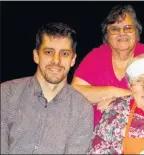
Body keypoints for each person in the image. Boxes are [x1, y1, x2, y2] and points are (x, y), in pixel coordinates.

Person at [1, 22, 93, 154]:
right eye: (49, 52)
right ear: (36, 55)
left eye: (65, 54)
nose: (56, 60)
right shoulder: (6, 94)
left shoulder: (82, 110)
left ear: (73, 59)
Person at [71, 4, 144, 127]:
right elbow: (75, 93)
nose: (122, 33)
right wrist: (114, 92)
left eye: (128, 28)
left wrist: (116, 104)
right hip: (99, 136)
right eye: (115, 29)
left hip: (143, 132)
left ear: (137, 32)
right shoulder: (96, 56)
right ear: (107, 35)